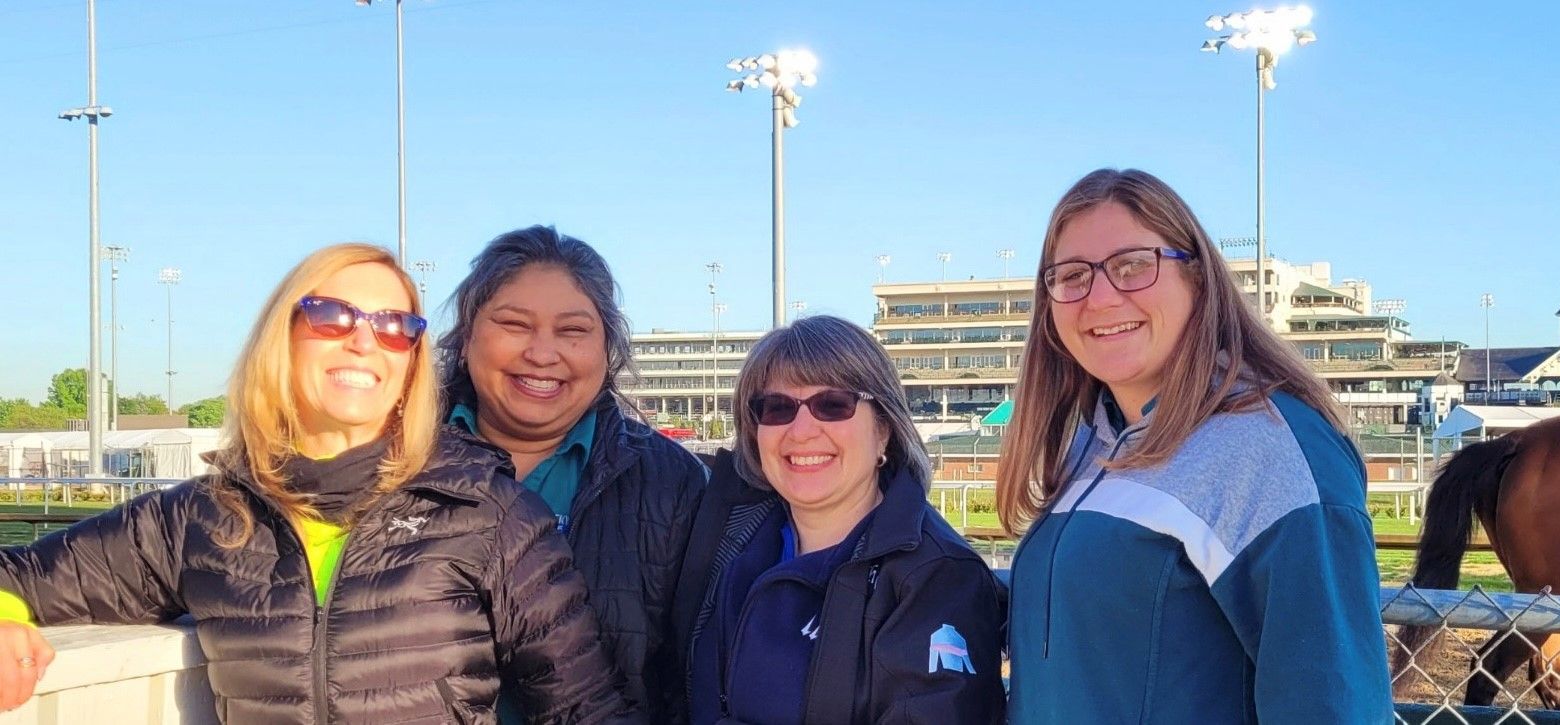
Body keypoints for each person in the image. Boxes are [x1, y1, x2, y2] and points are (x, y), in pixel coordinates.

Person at [0, 243, 630, 722]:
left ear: (412, 362)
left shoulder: (487, 511)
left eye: (393, 326)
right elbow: (17, 574)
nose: (363, 341)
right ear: (284, 337)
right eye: (331, 315)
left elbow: (584, 707)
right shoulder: (201, 518)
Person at [996, 168, 1391, 723]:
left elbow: (1332, 704)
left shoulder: (1269, 447)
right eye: (1073, 275)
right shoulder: (1090, 441)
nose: (1101, 297)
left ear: (1198, 278)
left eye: (1134, 266)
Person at [675, 315, 1005, 725]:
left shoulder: (936, 578)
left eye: (833, 405)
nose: (802, 430)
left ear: (883, 428)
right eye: (777, 408)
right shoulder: (728, 543)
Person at [438, 225, 708, 722]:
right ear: (465, 339)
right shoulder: (397, 465)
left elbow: (689, 683)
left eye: (572, 331)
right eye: (515, 324)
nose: (542, 354)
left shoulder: (676, 485)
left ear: (607, 352)